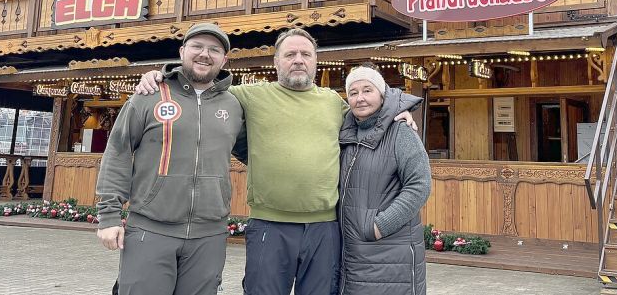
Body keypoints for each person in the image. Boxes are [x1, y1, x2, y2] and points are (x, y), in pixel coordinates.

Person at [135, 28, 416, 295]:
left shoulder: (333, 102)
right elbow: (199, 88)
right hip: (269, 224)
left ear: (315, 61)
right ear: (276, 61)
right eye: (290, 54)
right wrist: (160, 76)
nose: (298, 60)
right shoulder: (247, 96)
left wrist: (398, 113)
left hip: (324, 228)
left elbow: (369, 111)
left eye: (305, 55)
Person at [96, 23, 246, 295]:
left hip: (209, 234)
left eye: (214, 50)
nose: (205, 54)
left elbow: (257, 153)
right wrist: (109, 217)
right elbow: (118, 151)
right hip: (150, 228)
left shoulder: (233, 105)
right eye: (197, 46)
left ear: (224, 60)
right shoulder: (148, 96)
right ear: (182, 51)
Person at [338, 65, 430, 295]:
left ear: (382, 94)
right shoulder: (345, 133)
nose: (360, 98)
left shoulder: (401, 131)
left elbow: (419, 185)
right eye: (353, 92)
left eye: (367, 90)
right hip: (352, 254)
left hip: (388, 251)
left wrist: (379, 226)